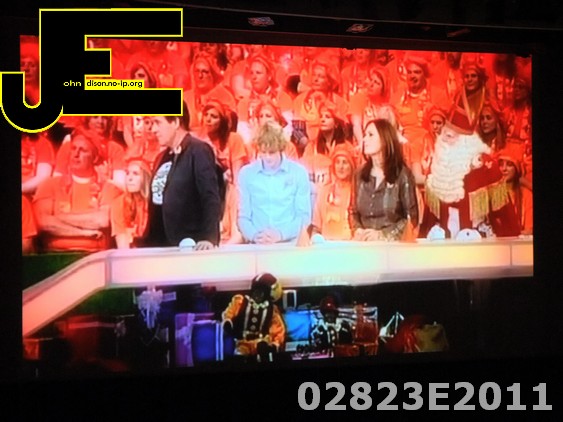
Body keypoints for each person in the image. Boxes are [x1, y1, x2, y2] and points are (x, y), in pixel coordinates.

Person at [420, 118, 521, 238]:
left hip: (478, 240)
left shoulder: (487, 167)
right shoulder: (437, 166)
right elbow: (429, 217)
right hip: (444, 240)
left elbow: (505, 219)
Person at [144, 102, 222, 250]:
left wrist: (209, 237)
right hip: (159, 243)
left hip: (190, 243)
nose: (153, 129)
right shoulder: (162, 157)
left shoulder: (198, 150)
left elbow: (210, 196)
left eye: (158, 123)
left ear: (175, 122)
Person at [33, 128, 120, 252]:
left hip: (95, 255)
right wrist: (84, 233)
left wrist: (58, 217)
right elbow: (44, 222)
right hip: (56, 254)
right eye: (73, 148)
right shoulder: (50, 185)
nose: (76, 154)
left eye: (83, 150)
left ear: (95, 158)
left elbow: (102, 220)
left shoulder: (108, 188)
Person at [237, 122, 311, 244]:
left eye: (272, 152)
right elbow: (243, 217)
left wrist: (281, 234)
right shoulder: (246, 174)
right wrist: (255, 235)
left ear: (281, 149)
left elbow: (303, 216)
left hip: (289, 244)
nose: (267, 158)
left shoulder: (299, 173)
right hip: (257, 245)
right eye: (263, 152)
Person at [351, 119, 419, 241]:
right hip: (364, 245)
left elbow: (411, 217)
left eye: (370, 135)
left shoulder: (403, 175)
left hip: (392, 247)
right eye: (365, 135)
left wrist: (383, 235)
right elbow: (353, 211)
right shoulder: (359, 175)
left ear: (384, 139)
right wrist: (357, 229)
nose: (364, 139)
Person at [222, 273, 286, 358]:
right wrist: (228, 323)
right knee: (240, 355)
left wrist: (274, 345)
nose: (257, 296)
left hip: (262, 343)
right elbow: (230, 313)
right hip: (243, 342)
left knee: (263, 353)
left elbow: (278, 329)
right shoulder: (241, 302)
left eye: (261, 293)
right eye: (256, 291)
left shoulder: (271, 310)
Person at [311, 144, 356, 240]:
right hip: (325, 245)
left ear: (351, 166)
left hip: (350, 244)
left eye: (345, 162)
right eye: (337, 162)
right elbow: (316, 227)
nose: (341, 167)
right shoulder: (324, 191)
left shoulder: (356, 191)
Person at [110, 158, 152, 248]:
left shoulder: (153, 203)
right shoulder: (119, 203)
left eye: (135, 174)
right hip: (130, 252)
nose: (130, 178)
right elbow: (122, 246)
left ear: (146, 178)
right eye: (127, 173)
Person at [496, 143, 533, 235]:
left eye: (509, 164)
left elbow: (529, 231)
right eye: (501, 164)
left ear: (517, 168)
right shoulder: (492, 194)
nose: (504, 169)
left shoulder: (526, 195)